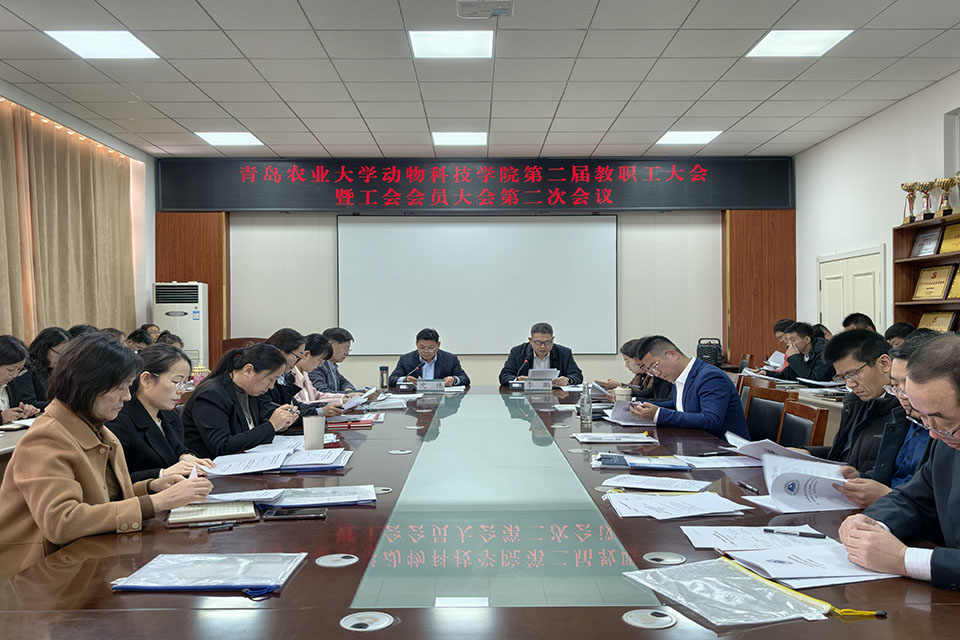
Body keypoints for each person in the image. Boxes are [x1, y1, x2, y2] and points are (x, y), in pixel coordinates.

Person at [0, 333, 212, 561]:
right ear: (89, 385)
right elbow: (62, 522)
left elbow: (103, 499)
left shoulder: (99, 430)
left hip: (86, 557)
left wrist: (151, 487)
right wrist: (157, 502)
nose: (127, 397)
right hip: (41, 569)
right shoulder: (46, 437)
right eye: (120, 388)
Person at [840, 334, 960, 591]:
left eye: (942, 420)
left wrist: (903, 559)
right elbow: (914, 499)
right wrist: (871, 523)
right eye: (923, 418)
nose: (933, 433)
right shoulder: (945, 443)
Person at [835, 330, 937, 508]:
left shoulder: (945, 432)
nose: (901, 395)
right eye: (895, 385)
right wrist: (861, 479)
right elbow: (891, 475)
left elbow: (938, 505)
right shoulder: (904, 419)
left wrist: (887, 496)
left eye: (908, 384)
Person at [106, 344, 215, 483]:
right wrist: (162, 473)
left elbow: (178, 449)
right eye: (176, 382)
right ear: (146, 379)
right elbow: (114, 481)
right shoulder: (119, 420)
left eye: (185, 382)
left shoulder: (171, 417)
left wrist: (185, 456)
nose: (182, 390)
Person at [805, 329, 899, 474]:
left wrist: (858, 479)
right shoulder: (855, 403)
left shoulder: (906, 409)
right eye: (843, 377)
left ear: (884, 363)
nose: (849, 384)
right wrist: (807, 453)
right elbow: (848, 454)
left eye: (853, 373)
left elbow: (900, 474)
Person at [181, 343, 298, 458]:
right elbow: (222, 446)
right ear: (248, 370)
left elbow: (253, 428)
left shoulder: (250, 390)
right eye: (271, 379)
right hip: (210, 464)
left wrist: (280, 425)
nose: (271, 386)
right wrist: (271, 426)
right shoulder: (211, 394)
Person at [627, 335, 748, 439]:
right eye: (650, 370)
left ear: (672, 355)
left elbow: (711, 420)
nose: (656, 373)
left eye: (654, 366)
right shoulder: (680, 376)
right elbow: (680, 406)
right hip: (698, 443)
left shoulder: (710, 376)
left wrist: (659, 414)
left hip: (725, 449)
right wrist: (642, 406)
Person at [498, 322, 583, 387]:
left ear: (552, 339)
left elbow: (577, 375)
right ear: (530, 340)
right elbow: (504, 376)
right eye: (538, 343)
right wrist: (518, 380)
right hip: (525, 398)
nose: (543, 347)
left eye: (547, 342)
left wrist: (568, 380)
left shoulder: (564, 353)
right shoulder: (517, 352)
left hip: (556, 397)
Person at [291, 333, 355, 412]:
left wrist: (344, 397)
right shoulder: (290, 374)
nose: (320, 365)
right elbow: (300, 404)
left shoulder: (304, 372)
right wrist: (340, 401)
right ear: (306, 355)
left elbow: (317, 395)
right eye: (320, 360)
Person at [390, 328, 470, 387]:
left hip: (442, 400)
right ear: (416, 344)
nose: (426, 351)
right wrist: (405, 379)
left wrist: (454, 379)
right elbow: (391, 379)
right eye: (422, 347)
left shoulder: (450, 359)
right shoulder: (406, 359)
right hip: (415, 401)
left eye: (431, 348)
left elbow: (465, 379)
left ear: (438, 345)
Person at [14, 327, 69, 411]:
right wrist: (63, 405)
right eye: (59, 353)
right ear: (45, 349)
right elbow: (27, 402)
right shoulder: (26, 367)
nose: (61, 358)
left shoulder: (57, 369)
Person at [598, 339, 672, 401]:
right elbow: (650, 392)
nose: (626, 365)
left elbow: (667, 401)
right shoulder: (641, 375)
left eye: (627, 361)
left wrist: (627, 395)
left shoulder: (659, 372)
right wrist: (623, 395)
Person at [766, 321, 833, 381]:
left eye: (792, 340)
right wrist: (766, 373)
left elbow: (814, 380)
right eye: (788, 340)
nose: (789, 344)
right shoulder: (801, 353)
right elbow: (787, 374)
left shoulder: (824, 351)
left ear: (807, 339)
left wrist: (795, 358)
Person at [0, 335, 40, 425]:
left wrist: (24, 412)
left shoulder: (11, 385)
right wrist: (1, 418)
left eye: (19, 369)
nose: (15, 375)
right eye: (10, 370)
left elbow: (11, 415)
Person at [309, 327, 357, 394]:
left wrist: (348, 389)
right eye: (345, 348)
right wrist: (348, 394)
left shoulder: (332, 365)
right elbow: (322, 392)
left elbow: (344, 382)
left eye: (348, 349)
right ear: (330, 344)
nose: (347, 353)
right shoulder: (316, 365)